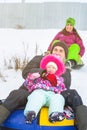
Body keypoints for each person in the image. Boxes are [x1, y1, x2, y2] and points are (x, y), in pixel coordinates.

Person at [0, 41, 87, 130]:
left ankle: (84, 125)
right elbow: (26, 72)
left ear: (65, 56)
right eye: (55, 49)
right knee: (16, 94)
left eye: (61, 51)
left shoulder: (65, 70)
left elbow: (65, 86)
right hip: (32, 91)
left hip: (53, 95)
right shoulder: (39, 59)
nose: (57, 52)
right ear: (51, 51)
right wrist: (44, 72)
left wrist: (56, 71)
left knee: (73, 94)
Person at [24, 54, 66, 123]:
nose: (50, 69)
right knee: (35, 96)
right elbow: (27, 85)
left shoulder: (59, 79)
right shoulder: (40, 76)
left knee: (58, 97)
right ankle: (31, 113)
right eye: (49, 67)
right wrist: (31, 78)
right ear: (45, 68)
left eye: (53, 67)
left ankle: (55, 114)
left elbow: (63, 89)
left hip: (52, 94)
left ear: (56, 70)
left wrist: (63, 94)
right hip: (40, 92)